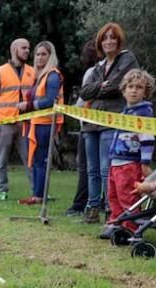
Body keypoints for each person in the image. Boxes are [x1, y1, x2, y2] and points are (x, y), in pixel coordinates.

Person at [79, 23, 139, 224]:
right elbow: (84, 92)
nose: (108, 41)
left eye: (112, 37)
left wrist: (98, 88)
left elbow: (117, 86)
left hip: (111, 120)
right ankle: (92, 208)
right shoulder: (97, 67)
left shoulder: (127, 59)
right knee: (92, 169)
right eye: (105, 38)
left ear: (119, 40)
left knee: (107, 168)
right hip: (91, 122)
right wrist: (100, 86)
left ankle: (110, 210)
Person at [102, 69, 156, 238]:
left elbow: (147, 139)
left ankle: (132, 229)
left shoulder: (144, 113)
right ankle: (116, 224)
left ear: (145, 92)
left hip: (130, 164)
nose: (134, 90)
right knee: (113, 196)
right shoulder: (125, 112)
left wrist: (145, 163)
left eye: (139, 87)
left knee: (128, 198)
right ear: (123, 90)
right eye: (130, 86)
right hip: (115, 162)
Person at [0, 38, 34, 201]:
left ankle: (36, 190)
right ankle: (2, 190)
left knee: (29, 158)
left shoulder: (32, 71)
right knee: (1, 159)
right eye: (23, 48)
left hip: (25, 122)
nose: (27, 51)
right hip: (4, 122)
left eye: (28, 48)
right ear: (14, 50)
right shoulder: (0, 71)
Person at [22, 41, 63, 206]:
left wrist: (29, 105)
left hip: (45, 123)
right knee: (37, 160)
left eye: (43, 54)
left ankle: (39, 196)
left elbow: (51, 101)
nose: (39, 57)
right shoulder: (39, 76)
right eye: (37, 54)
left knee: (41, 160)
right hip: (36, 122)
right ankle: (37, 194)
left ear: (50, 56)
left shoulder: (52, 75)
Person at [66, 39, 100, 217]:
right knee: (96, 168)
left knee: (86, 167)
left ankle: (80, 204)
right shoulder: (103, 72)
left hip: (88, 126)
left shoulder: (91, 72)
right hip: (96, 125)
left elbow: (83, 99)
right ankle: (94, 202)